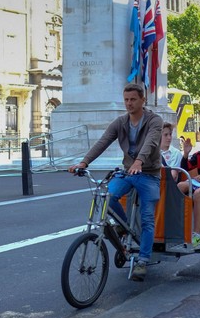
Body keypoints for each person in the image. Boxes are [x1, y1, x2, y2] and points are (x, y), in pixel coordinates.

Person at [68, 82, 163, 281]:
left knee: (147, 217)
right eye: (126, 100)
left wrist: (139, 161)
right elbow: (103, 141)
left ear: (142, 100)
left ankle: (143, 260)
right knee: (107, 197)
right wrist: (83, 163)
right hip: (129, 171)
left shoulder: (154, 120)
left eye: (133, 100)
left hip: (149, 174)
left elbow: (151, 142)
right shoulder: (120, 122)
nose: (128, 103)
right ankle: (125, 225)